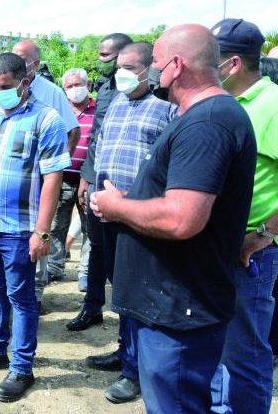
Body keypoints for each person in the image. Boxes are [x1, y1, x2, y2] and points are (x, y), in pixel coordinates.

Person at [91, 24, 256, 414]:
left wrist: (117, 208)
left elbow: (183, 218)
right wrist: (134, 199)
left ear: (177, 65)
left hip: (180, 310)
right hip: (174, 305)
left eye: (158, 64)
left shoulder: (208, 122)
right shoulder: (202, 116)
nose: (153, 72)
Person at [0, 52, 70, 402]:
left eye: (5, 86)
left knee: (21, 297)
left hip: (19, 229)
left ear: (25, 82)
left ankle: (21, 367)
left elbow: (53, 178)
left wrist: (42, 231)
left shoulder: (46, 119)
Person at [86, 42, 175, 404]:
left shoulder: (167, 109)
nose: (120, 72)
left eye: (128, 66)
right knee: (119, 289)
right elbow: (101, 145)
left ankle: (135, 371)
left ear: (148, 70)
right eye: (118, 65)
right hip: (106, 212)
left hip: (139, 215)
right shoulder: (116, 104)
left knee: (138, 292)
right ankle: (125, 352)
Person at [209, 19, 278, 414]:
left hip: (250, 252)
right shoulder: (227, 103)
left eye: (209, 59)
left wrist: (265, 233)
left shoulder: (271, 105)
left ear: (232, 63)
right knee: (219, 346)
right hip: (219, 246)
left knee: (246, 352)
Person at [67, 32, 133, 332]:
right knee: (96, 246)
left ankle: (127, 324)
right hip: (98, 181)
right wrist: (86, 178)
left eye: (106, 56)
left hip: (130, 190)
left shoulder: (151, 93)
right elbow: (96, 139)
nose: (100, 61)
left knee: (125, 257)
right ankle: (92, 306)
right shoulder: (107, 89)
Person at [11, 39, 79, 310]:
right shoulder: (5, 88)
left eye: (21, 58)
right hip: (10, 180)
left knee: (40, 234)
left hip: (40, 182)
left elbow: (72, 130)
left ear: (35, 64)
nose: (15, 61)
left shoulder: (51, 93)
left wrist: (56, 168)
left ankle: (35, 295)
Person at [51, 68, 95, 291]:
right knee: (57, 225)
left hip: (89, 178)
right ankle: (54, 266)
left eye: (78, 85)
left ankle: (86, 273)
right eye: (69, 86)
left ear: (88, 86)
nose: (74, 90)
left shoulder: (100, 110)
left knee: (90, 228)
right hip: (63, 177)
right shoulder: (59, 110)